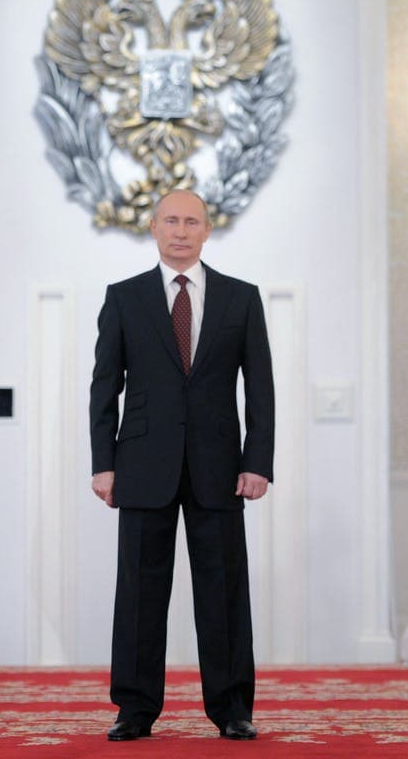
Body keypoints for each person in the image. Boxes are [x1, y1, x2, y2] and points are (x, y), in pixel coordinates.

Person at [89, 189, 275, 741]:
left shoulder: (242, 298)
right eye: (171, 219)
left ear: (207, 230)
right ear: (153, 227)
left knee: (223, 591)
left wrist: (257, 461)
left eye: (192, 221)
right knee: (140, 593)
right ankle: (135, 709)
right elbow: (105, 386)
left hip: (219, 467)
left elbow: (259, 388)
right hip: (142, 465)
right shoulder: (123, 298)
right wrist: (104, 463)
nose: (181, 230)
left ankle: (232, 709)